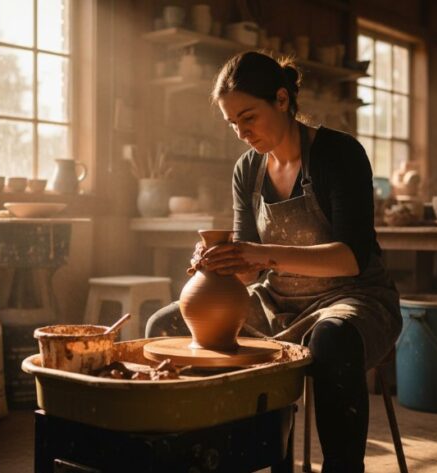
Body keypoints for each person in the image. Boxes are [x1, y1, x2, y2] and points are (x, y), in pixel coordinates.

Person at [145, 50, 402, 472]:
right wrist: (221, 262)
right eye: (233, 124)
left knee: (331, 341)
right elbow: (248, 271)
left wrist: (261, 254)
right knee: (165, 328)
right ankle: (218, 459)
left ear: (282, 100)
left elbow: (351, 258)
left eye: (249, 117)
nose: (242, 133)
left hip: (353, 301)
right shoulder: (248, 170)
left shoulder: (340, 154)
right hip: (276, 304)